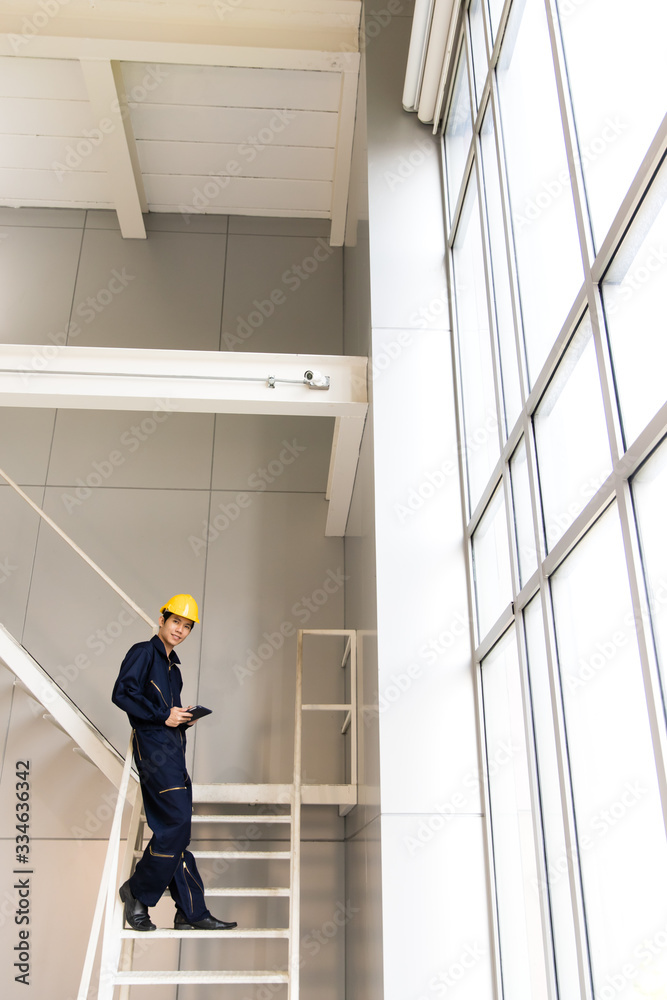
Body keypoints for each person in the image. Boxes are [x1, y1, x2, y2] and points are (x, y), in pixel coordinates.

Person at [111, 593, 236, 932]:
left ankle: (190, 911)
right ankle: (136, 891)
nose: (180, 629)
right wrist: (162, 716)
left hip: (172, 751)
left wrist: (182, 719)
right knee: (176, 825)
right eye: (176, 621)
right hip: (154, 752)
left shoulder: (172, 669)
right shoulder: (143, 652)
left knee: (177, 832)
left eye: (187, 626)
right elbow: (122, 693)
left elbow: (167, 713)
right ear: (163, 619)